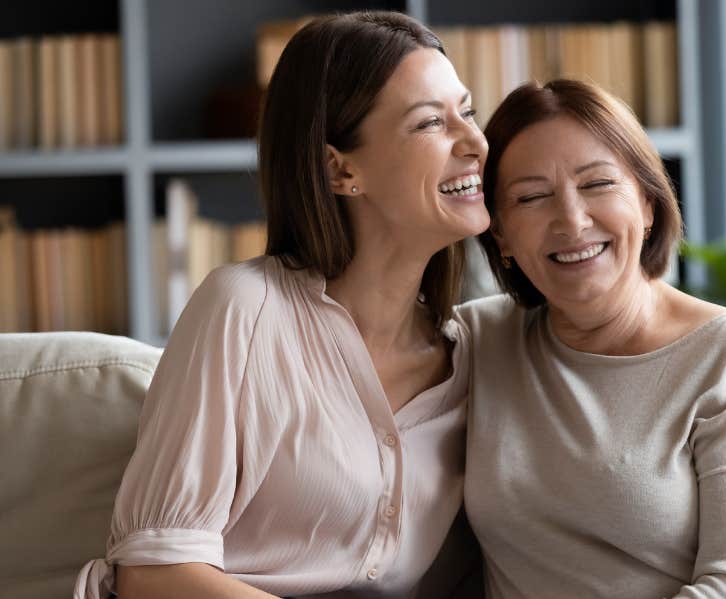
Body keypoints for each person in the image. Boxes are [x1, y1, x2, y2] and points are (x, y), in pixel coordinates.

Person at [74, 11, 486, 599]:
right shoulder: (244, 311)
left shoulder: (474, 355)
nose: (475, 142)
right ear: (340, 169)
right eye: (430, 124)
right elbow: (154, 573)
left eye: (467, 112)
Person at [458, 79, 726, 598]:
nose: (572, 221)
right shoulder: (480, 341)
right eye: (532, 197)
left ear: (648, 203)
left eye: (598, 184)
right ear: (501, 235)